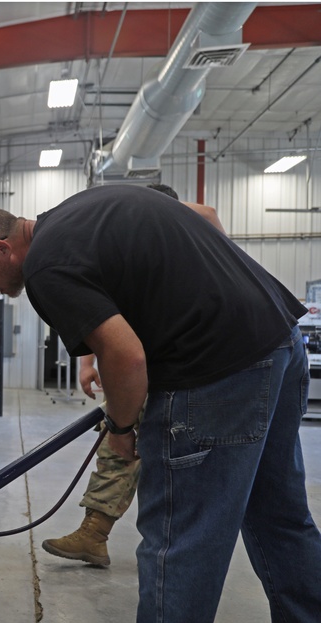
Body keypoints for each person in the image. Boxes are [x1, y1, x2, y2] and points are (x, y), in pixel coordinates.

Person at [0, 184, 321, 623]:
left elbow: (126, 357)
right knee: (280, 518)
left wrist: (121, 428)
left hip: (216, 369)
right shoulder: (82, 209)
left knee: (180, 535)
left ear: (1, 249)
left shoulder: (45, 267)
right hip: (278, 337)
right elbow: (204, 219)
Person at [42, 184, 225, 567]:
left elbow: (206, 214)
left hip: (182, 365)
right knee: (118, 440)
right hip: (137, 362)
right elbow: (102, 312)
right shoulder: (128, 250)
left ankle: (114, 536)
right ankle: (96, 532)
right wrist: (88, 363)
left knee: (151, 452)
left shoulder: (183, 242)